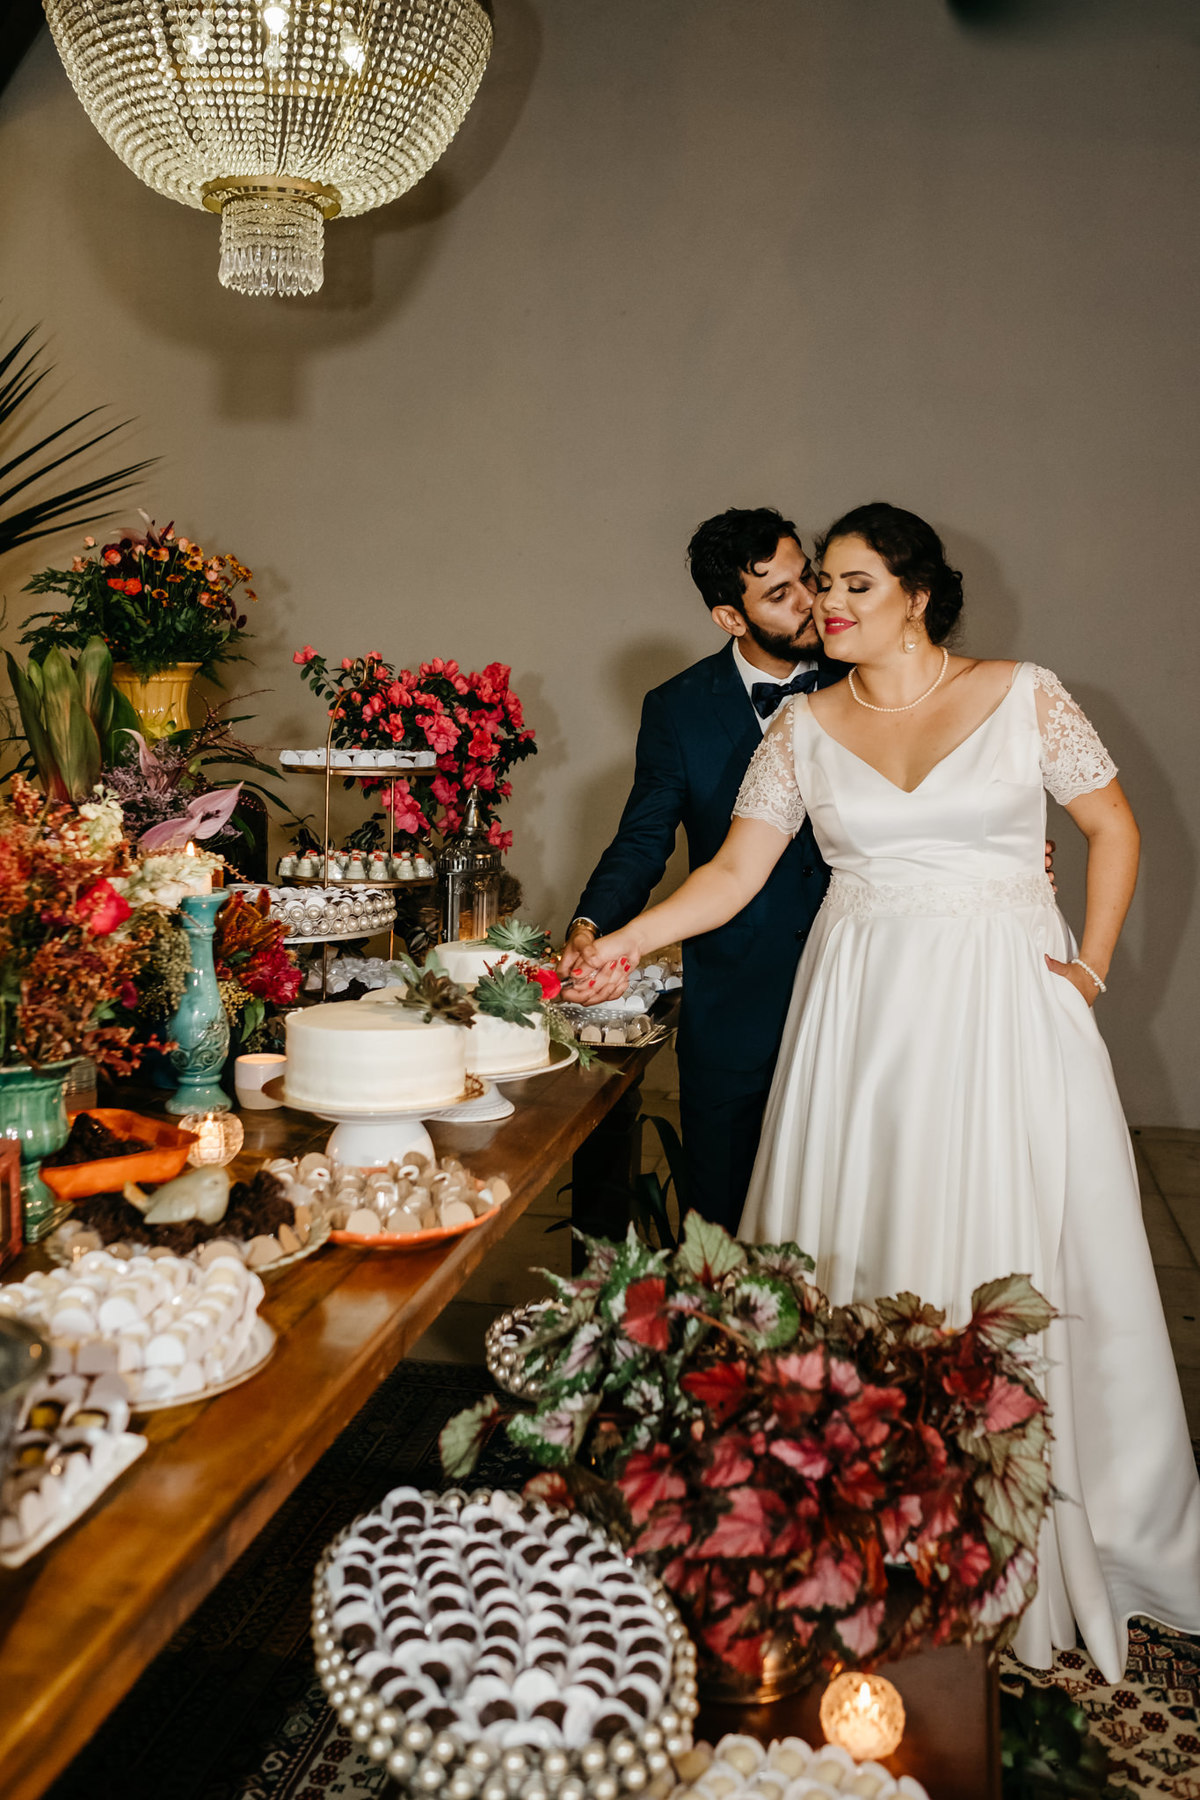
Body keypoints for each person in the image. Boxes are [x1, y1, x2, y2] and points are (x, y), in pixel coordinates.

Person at [570, 501, 1200, 1679]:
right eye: (823, 584)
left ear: (918, 594)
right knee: (860, 1245)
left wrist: (1092, 970)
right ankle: (860, 1521)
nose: (828, 603)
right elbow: (734, 871)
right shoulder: (802, 727)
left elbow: (1111, 828)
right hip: (856, 1024)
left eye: (855, 584)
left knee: (1018, 1247)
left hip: (1004, 1013)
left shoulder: (1023, 695)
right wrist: (626, 942)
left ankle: (1017, 1515)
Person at [558, 507, 846, 1231]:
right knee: (722, 1217)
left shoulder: (865, 678)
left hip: (854, 984)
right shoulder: (678, 708)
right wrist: (592, 924)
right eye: (779, 593)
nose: (810, 600)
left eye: (806, 577)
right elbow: (643, 839)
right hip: (735, 999)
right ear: (730, 617)